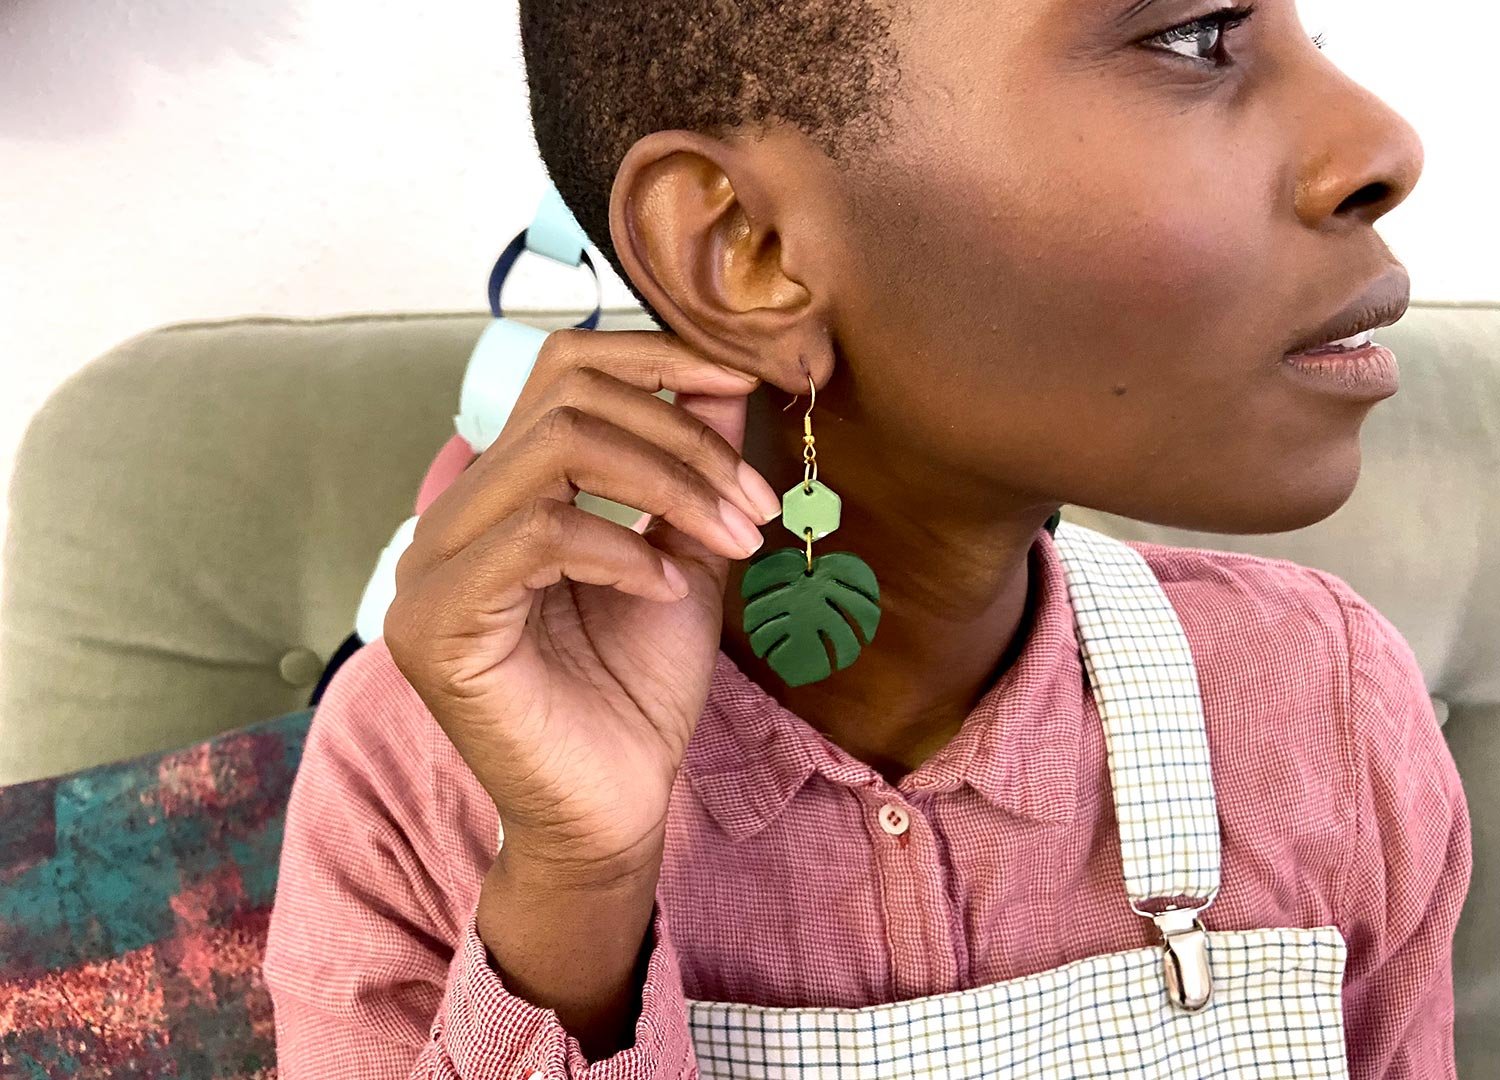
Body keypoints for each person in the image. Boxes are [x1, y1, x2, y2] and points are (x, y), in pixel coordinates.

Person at [262, 0, 1472, 1077]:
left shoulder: (1325, 699)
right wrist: (574, 890)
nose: (1383, 147)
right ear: (750, 250)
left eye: (1318, 37)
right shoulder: (414, 778)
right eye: (1197, 36)